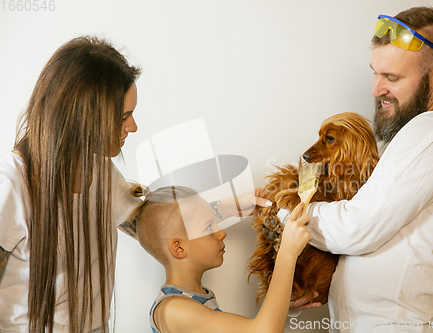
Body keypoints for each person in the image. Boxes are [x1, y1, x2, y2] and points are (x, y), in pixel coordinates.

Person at [0, 36, 269, 333]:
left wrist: (229, 206)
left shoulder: (100, 173)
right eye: (123, 116)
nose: (133, 127)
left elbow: (153, 224)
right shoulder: (10, 185)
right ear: (82, 116)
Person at [288, 6, 433, 332]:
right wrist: (327, 283)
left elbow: (356, 229)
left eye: (392, 77)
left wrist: (283, 211)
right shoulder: (427, 131)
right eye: (375, 72)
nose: (375, 89)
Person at [133, 186, 311, 333]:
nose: (222, 232)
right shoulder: (173, 309)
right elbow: (263, 331)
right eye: (208, 226)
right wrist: (287, 251)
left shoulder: (199, 296)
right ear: (179, 248)